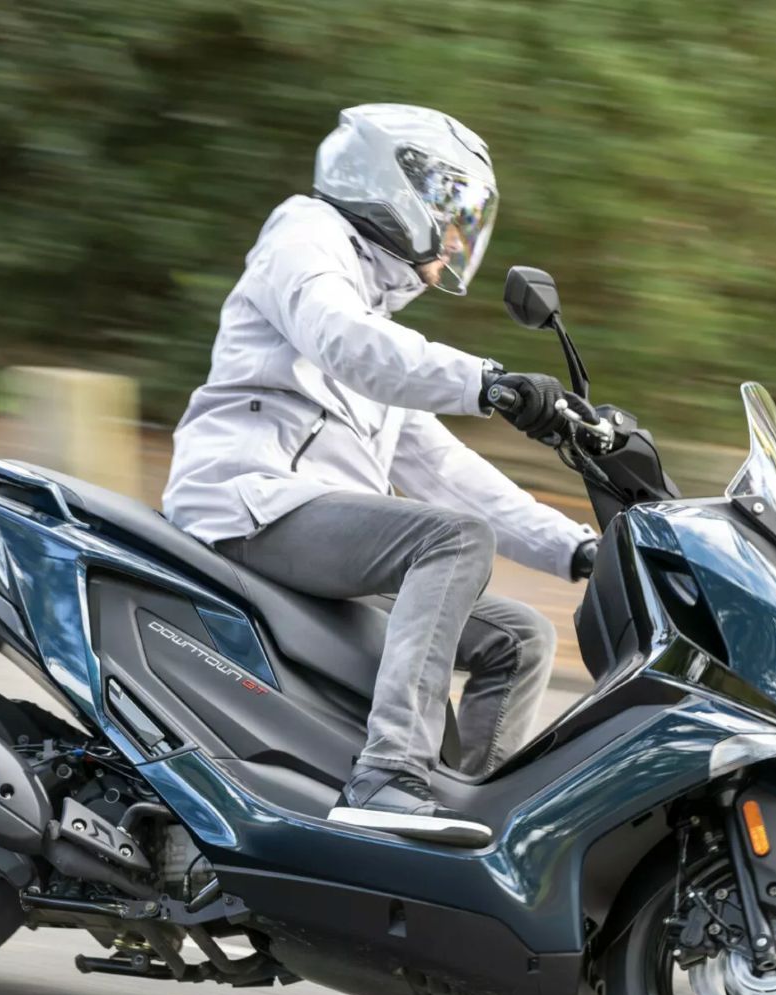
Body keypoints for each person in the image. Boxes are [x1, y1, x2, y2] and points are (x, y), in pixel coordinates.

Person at [163, 103, 598, 841]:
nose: (457, 237)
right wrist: (488, 382)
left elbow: (445, 469)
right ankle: (390, 776)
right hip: (249, 504)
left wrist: (578, 549)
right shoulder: (306, 237)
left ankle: (474, 814)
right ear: (392, 187)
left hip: (313, 527)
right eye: (451, 212)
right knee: (452, 541)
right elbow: (340, 339)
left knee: (520, 637)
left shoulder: (379, 323)